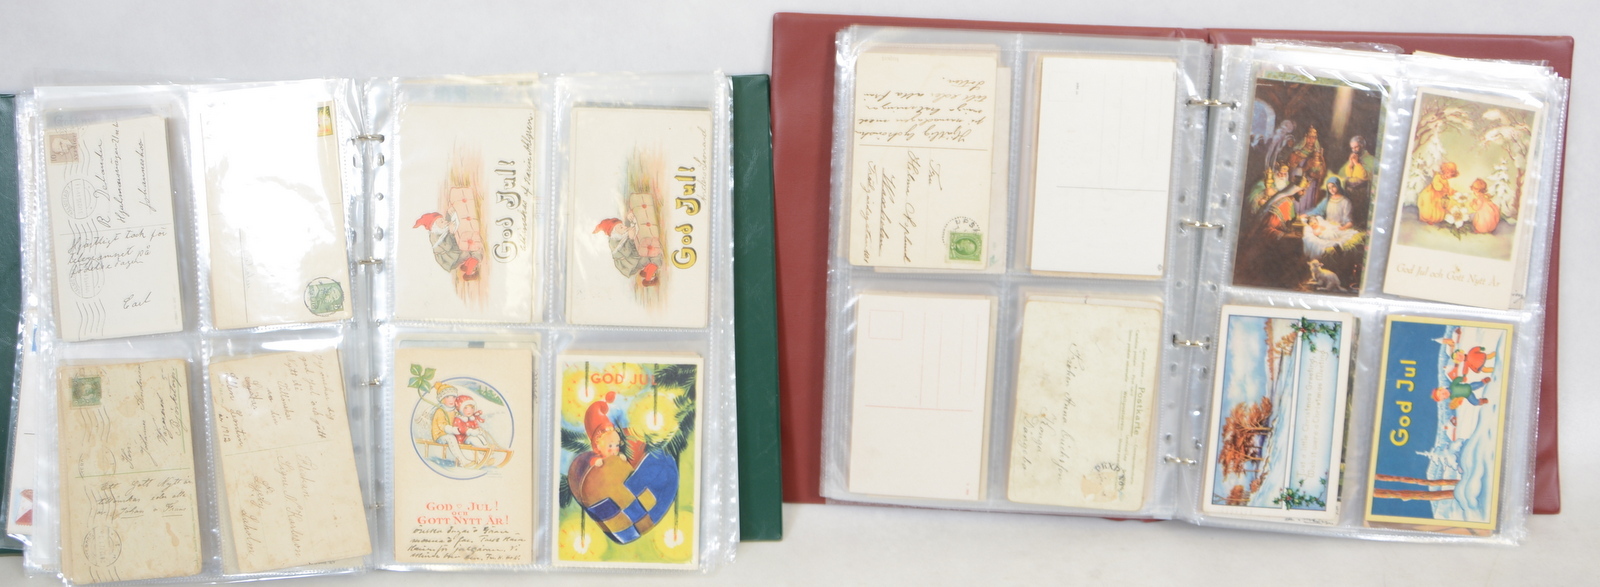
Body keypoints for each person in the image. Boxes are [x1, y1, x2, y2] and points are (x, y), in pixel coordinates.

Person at [429, 393, 471, 467]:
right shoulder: (440, 411)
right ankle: (463, 460)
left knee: (466, 438)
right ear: (443, 399)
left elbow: (459, 417)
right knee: (450, 438)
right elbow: (441, 425)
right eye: (447, 397)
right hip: (440, 435)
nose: (451, 400)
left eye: (454, 397)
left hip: (453, 433)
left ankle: (478, 458)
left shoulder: (454, 410)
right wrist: (452, 429)